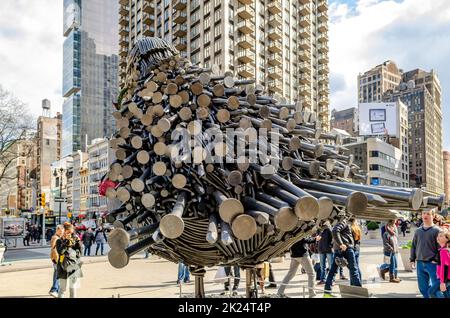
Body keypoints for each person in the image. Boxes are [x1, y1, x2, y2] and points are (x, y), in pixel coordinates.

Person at [324, 213, 362, 297]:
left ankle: (327, 293)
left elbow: (335, 232)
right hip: (346, 249)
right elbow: (335, 231)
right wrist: (341, 244)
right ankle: (360, 294)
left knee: (332, 271)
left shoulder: (337, 222)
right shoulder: (343, 221)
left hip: (339, 250)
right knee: (354, 271)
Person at [410, 208, 444, 298]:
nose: (425, 215)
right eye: (424, 213)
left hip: (433, 264)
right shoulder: (418, 231)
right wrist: (412, 259)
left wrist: (436, 259)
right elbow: (413, 245)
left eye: (428, 214)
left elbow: (441, 247)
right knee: (423, 288)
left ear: (433, 216)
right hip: (420, 263)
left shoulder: (438, 231)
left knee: (435, 289)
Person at [56, 222, 83, 298]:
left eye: (71, 233)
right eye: (68, 232)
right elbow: (60, 252)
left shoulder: (74, 241)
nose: (69, 234)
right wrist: (65, 242)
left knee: (73, 288)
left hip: (74, 266)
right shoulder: (59, 241)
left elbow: (80, 254)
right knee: (62, 289)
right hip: (63, 266)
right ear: (64, 231)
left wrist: (79, 243)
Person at [48, 225, 64, 298]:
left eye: (62, 231)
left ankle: (55, 290)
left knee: (57, 274)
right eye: (60, 231)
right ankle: (54, 290)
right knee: (58, 275)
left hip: (57, 259)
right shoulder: (55, 238)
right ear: (57, 230)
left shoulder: (58, 237)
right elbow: (54, 250)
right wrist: (57, 260)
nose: (61, 233)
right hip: (57, 260)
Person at [436, 230, 450, 298]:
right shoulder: (442, 250)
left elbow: (445, 267)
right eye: (438, 236)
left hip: (446, 279)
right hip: (444, 279)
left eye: (441, 236)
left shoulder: (444, 251)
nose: (438, 237)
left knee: (432, 291)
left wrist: (443, 282)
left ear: (447, 239)